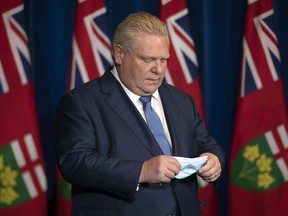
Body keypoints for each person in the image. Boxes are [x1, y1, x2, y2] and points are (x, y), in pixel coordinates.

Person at [54, 11, 225, 216]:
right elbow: (75, 162)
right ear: (119, 54)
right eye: (148, 59)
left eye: (163, 60)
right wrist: (142, 171)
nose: (158, 69)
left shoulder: (180, 100)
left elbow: (205, 143)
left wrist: (213, 159)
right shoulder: (82, 102)